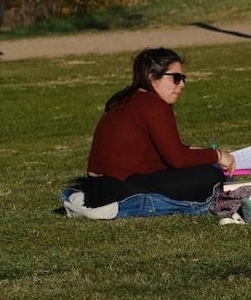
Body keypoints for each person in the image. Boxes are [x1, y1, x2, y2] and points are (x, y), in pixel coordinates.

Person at [82, 48, 234, 207]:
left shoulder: (124, 99)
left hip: (97, 189)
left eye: (183, 78)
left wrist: (193, 152)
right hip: (119, 190)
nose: (181, 84)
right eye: (176, 78)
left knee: (200, 170)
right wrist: (218, 155)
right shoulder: (154, 105)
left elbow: (160, 152)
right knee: (211, 175)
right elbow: (178, 160)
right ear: (152, 77)